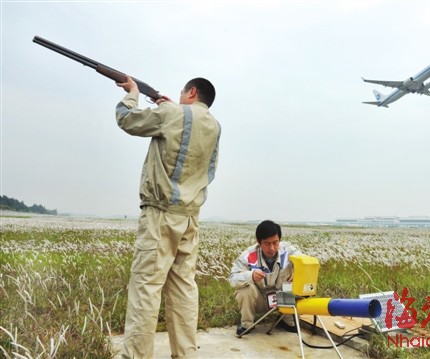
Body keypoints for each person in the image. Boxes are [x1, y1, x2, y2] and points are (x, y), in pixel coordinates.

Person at [115, 76, 221, 358]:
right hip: (189, 218)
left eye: (182, 92)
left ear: (192, 92)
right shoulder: (214, 125)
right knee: (184, 291)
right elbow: (205, 164)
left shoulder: (173, 114)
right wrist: (171, 107)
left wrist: (132, 93)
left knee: (146, 290)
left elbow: (127, 119)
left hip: (160, 216)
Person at [229, 220, 302, 335]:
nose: (272, 248)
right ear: (259, 242)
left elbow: (305, 261)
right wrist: (251, 276)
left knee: (294, 284)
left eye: (275, 242)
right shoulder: (248, 255)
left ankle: (288, 321)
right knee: (244, 289)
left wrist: (298, 271)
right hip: (260, 299)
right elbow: (233, 279)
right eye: (267, 243)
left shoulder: (288, 251)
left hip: (282, 296)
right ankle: (247, 324)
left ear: (280, 240)